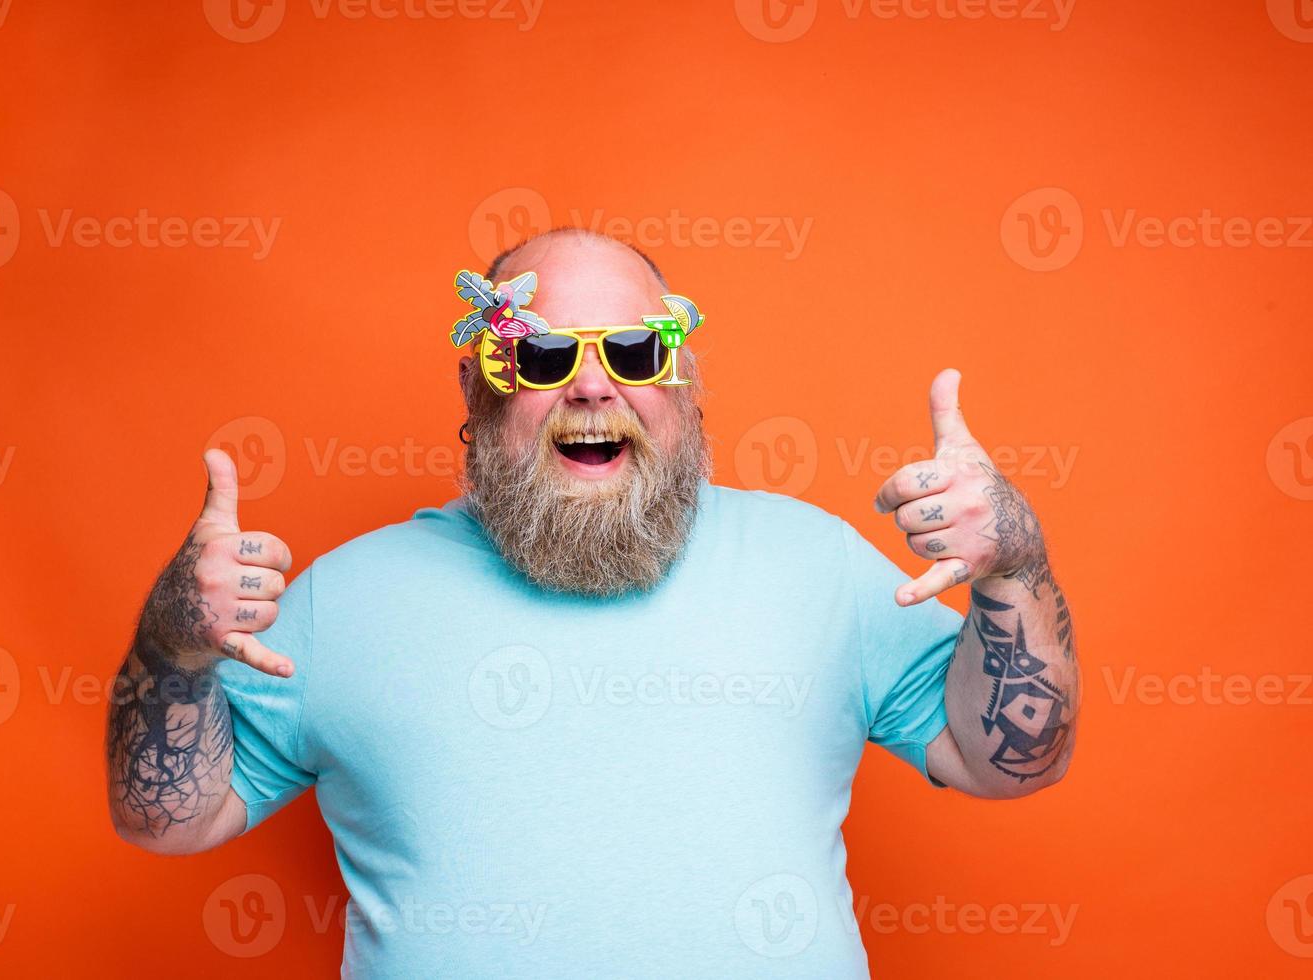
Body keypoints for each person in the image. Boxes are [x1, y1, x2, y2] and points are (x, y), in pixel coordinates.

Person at [105, 228, 1079, 977]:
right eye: (537, 358)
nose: (589, 385)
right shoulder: (343, 598)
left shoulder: (815, 562)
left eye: (631, 350)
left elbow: (1006, 762)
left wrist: (1012, 565)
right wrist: (171, 647)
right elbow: (168, 818)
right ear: (478, 387)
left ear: (684, 380)